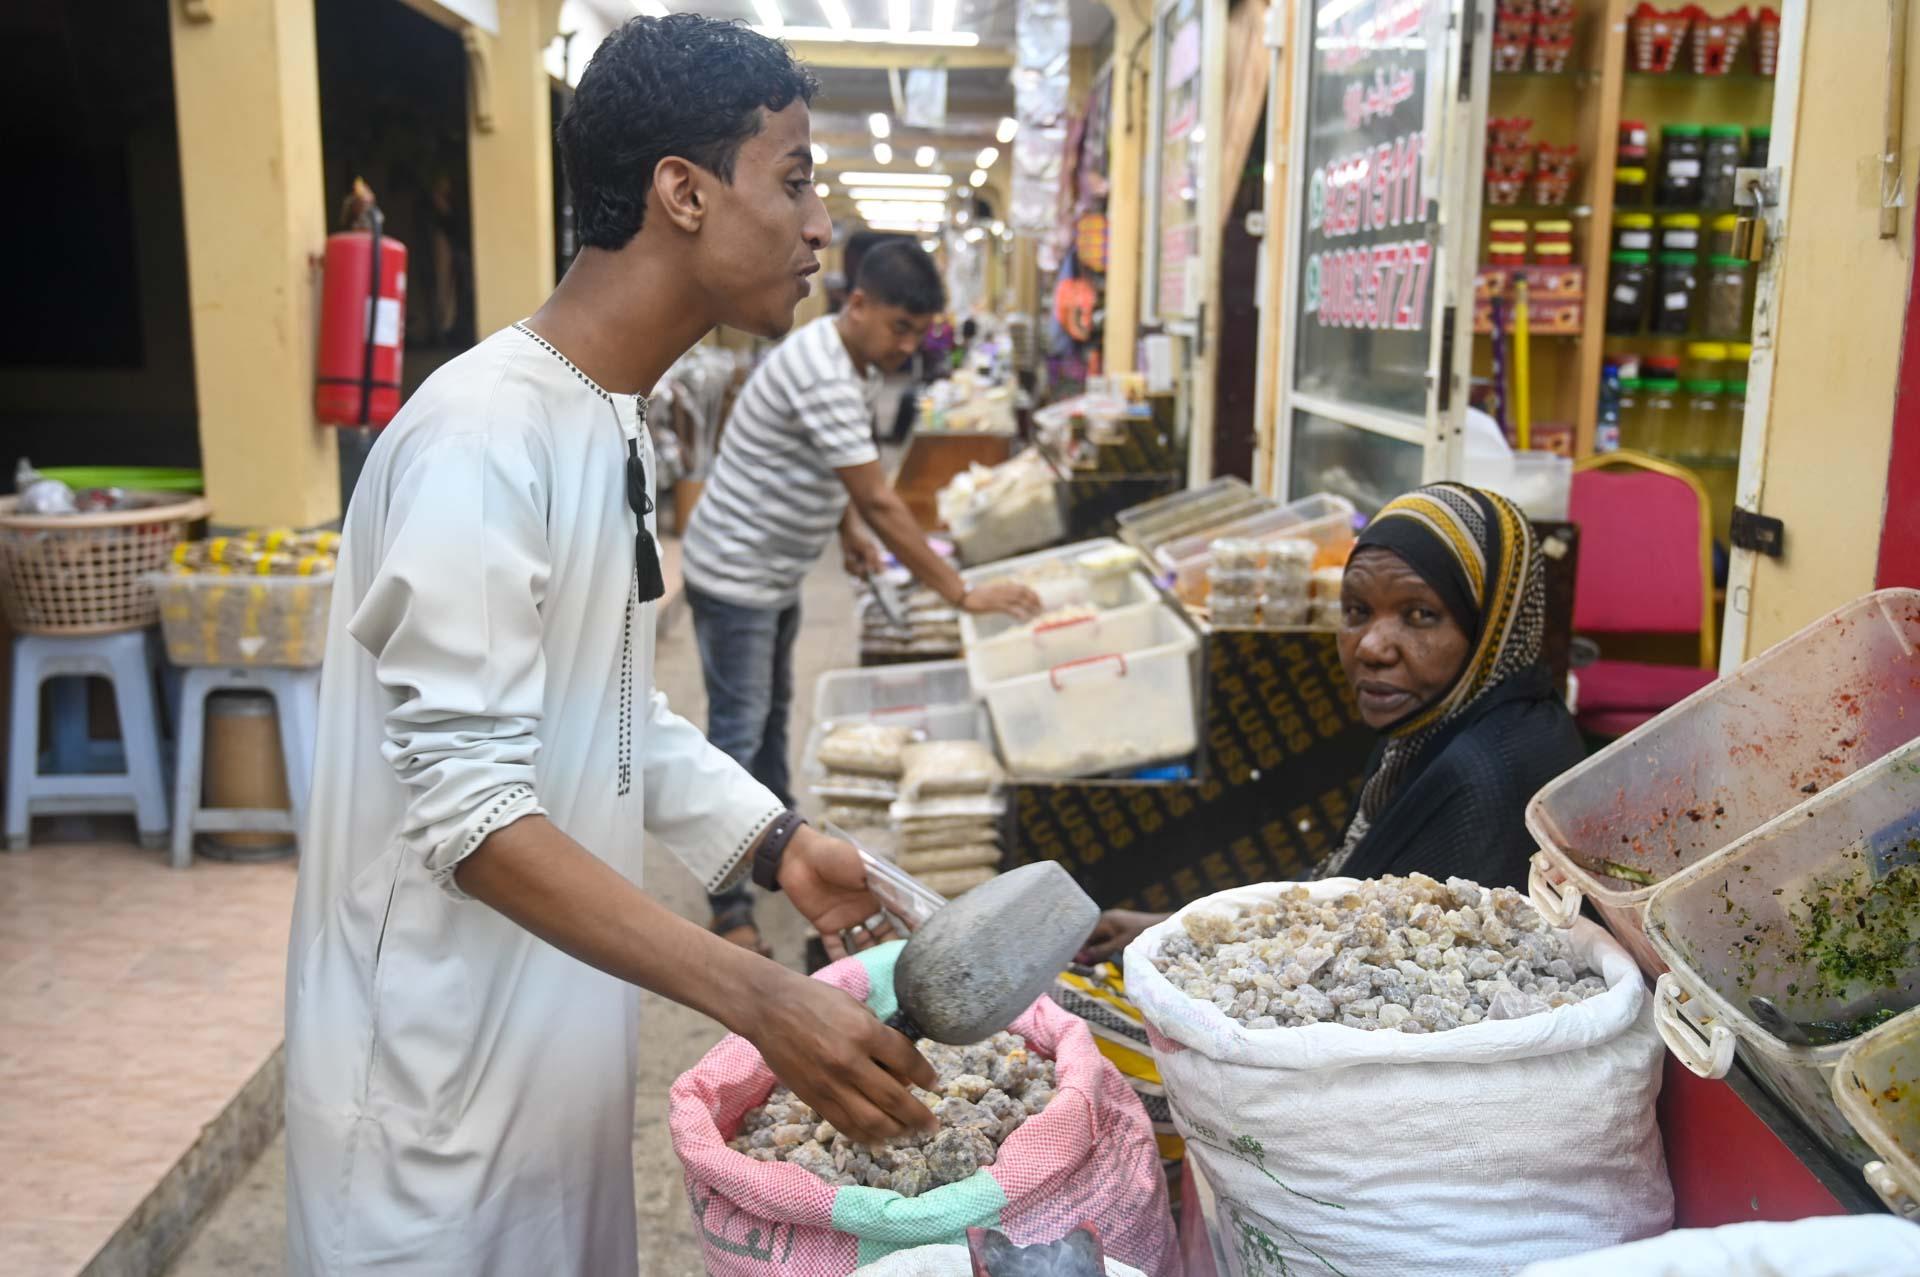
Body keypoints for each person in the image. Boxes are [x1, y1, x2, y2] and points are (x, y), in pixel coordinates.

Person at [283, 18, 938, 1275]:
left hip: (546, 1056)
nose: (818, 228)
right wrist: (755, 994)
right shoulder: (482, 438)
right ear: (683, 193)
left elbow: (606, 698)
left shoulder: (608, 419)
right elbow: (474, 813)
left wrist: (778, 840)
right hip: (430, 1092)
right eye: (794, 178)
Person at [680, 241, 1040, 954]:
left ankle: (778, 848)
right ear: (858, 305)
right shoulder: (824, 370)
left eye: (920, 333)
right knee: (737, 732)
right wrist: (960, 591)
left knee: (774, 718)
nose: (909, 347)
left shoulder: (853, 362)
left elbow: (840, 471)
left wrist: (843, 528)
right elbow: (878, 496)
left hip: (774, 572)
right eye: (901, 328)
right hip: (735, 575)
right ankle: (727, 902)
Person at [1079, 482, 1586, 962]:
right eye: (1356, 610)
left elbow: (1370, 971)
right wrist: (1174, 925)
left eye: (1420, 616)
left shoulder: (1483, 777)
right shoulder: (1445, 726)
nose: (1370, 646)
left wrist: (1182, 940)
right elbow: (1340, 904)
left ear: (1492, 627)